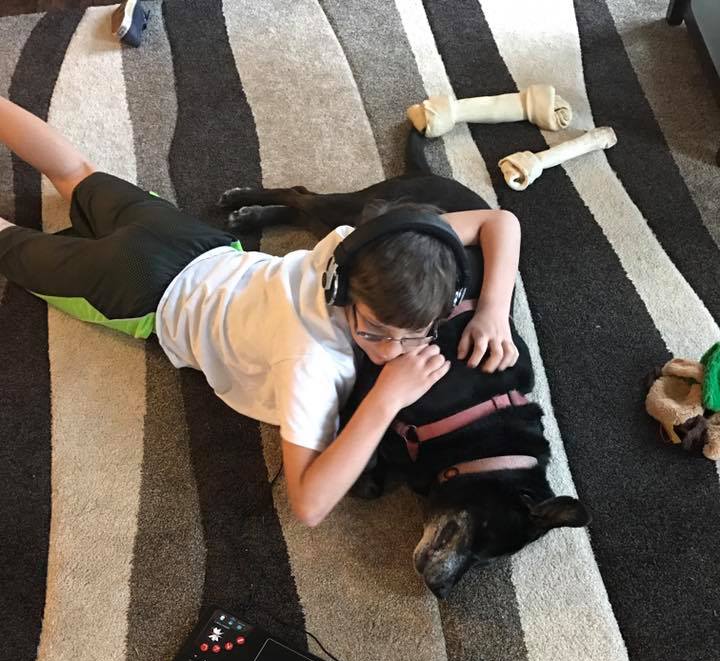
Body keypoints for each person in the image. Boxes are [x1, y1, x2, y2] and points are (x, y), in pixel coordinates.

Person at [0, 95, 521, 526]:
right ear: (341, 289)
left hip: (190, 241)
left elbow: (500, 221)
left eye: (416, 334)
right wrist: (385, 400)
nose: (393, 351)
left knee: (76, 171)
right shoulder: (311, 362)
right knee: (10, 245)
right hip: (137, 292)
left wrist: (493, 311)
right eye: (377, 331)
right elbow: (309, 504)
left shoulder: (355, 245)